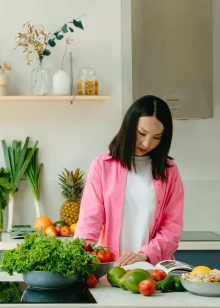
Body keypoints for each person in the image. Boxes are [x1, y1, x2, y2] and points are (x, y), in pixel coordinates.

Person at [75, 95, 184, 266]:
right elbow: (90, 221)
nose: (147, 143)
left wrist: (144, 255)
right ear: (129, 126)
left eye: (156, 137)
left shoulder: (169, 171)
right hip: (112, 271)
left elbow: (172, 227)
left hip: (153, 272)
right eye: (141, 133)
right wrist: (77, 259)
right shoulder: (102, 166)